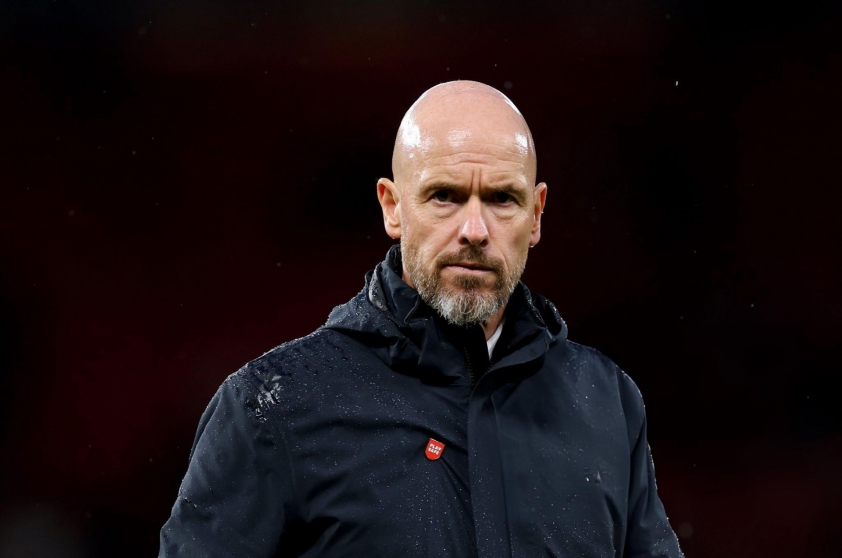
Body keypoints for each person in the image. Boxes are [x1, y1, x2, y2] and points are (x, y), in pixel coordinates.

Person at [159, 80, 684, 557]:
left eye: (502, 199)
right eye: (445, 196)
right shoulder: (271, 406)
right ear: (392, 207)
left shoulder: (607, 402)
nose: (475, 230)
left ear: (536, 215)